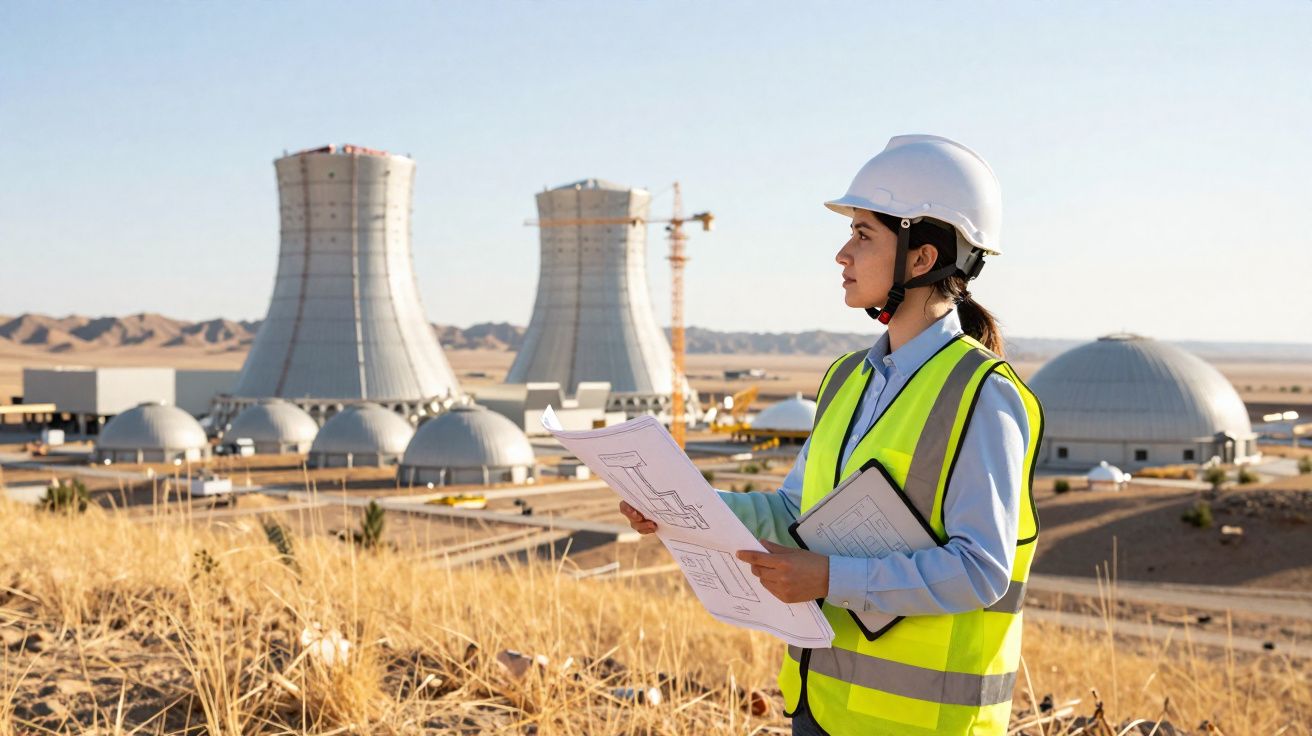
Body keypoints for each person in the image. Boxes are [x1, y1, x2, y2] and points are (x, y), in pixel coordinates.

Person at [619, 135, 1044, 736]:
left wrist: (828, 578)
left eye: (863, 235)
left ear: (922, 259)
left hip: (923, 725)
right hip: (821, 705)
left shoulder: (984, 395)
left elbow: (981, 570)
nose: (842, 255)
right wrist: (684, 508)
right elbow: (798, 511)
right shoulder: (849, 379)